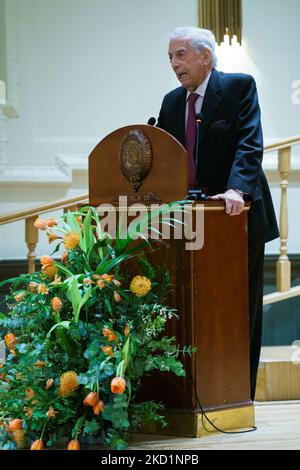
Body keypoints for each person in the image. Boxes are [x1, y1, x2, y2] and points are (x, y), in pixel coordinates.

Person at [157, 26, 279, 401]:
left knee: (241, 313)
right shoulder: (172, 102)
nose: (174, 64)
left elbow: (249, 142)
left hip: (235, 218)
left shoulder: (239, 87)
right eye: (170, 57)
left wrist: (236, 189)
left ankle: (241, 396)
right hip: (191, 225)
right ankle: (201, 394)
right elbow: (164, 157)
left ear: (205, 57)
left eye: (180, 54)